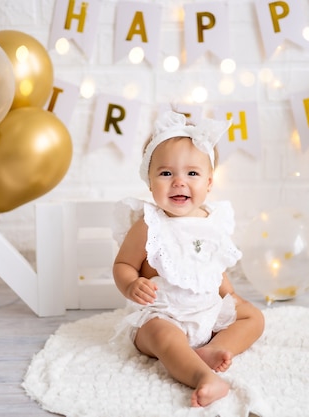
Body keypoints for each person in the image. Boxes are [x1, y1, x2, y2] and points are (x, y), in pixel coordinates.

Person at [112, 110, 265, 408]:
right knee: (162, 336)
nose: (179, 182)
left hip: (206, 312)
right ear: (150, 181)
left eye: (192, 173)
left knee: (254, 318)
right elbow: (123, 265)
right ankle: (202, 377)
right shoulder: (149, 225)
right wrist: (131, 285)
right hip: (162, 314)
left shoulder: (213, 222)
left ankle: (215, 349)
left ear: (208, 183)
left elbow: (209, 266)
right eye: (166, 173)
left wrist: (231, 297)